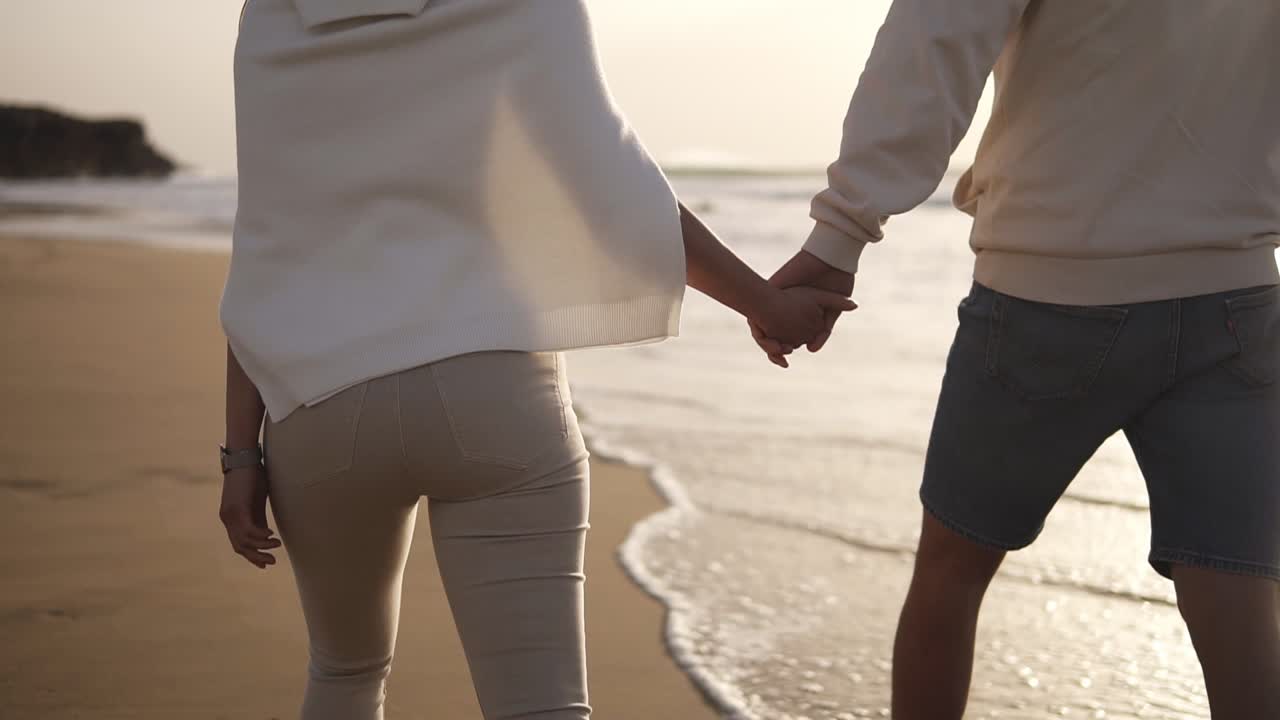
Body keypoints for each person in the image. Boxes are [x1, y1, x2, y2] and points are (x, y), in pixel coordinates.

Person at [216, 2, 853, 719]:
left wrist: (241, 453)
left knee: (345, 673)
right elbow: (610, 182)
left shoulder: (273, 14)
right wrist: (763, 304)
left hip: (318, 401)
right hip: (491, 388)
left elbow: (270, 236)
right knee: (541, 708)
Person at [754, 1, 1280, 718]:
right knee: (1238, 597)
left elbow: (934, 42)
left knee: (952, 570)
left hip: (1048, 289)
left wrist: (842, 232)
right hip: (1235, 296)